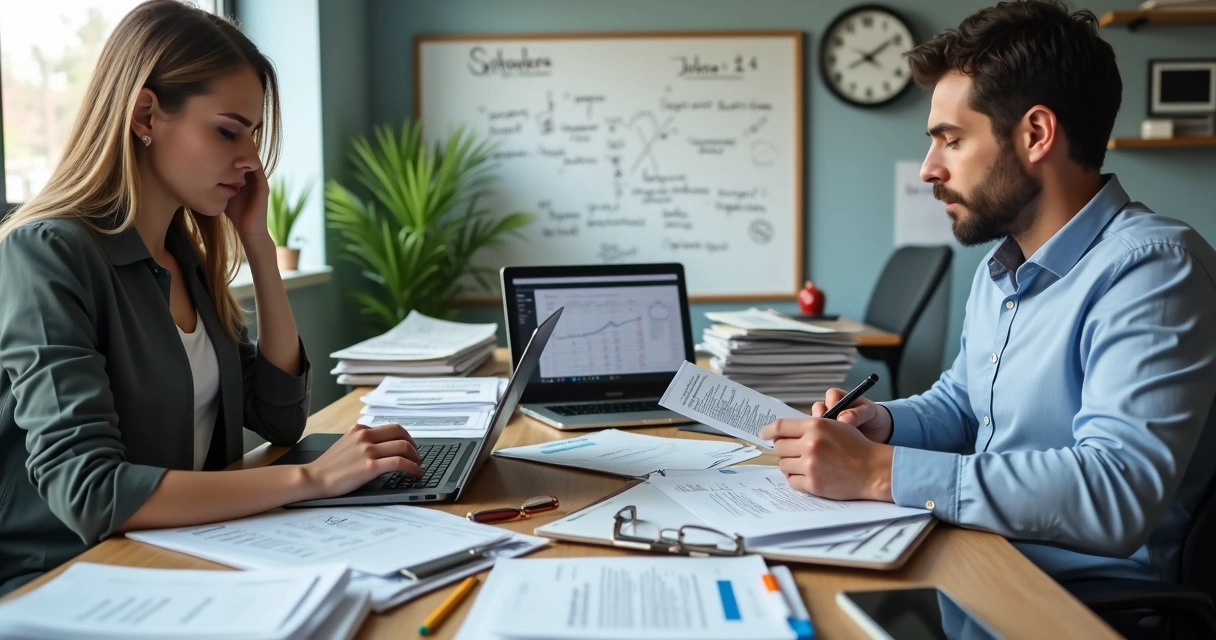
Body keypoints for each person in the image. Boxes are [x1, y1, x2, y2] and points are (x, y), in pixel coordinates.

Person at [761, 0, 1216, 588]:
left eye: (950, 140)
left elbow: (1115, 493)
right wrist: (882, 425)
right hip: (981, 553)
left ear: (1035, 134)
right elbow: (962, 406)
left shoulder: (1152, 271)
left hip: (1076, 601)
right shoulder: (1002, 268)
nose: (928, 168)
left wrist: (882, 472)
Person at [0, 0, 420, 595]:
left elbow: (279, 418)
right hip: (71, 579)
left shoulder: (185, 259)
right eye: (227, 131)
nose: (250, 161)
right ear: (146, 113)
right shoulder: (47, 253)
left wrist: (257, 243)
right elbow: (89, 490)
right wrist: (312, 481)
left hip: (190, 556)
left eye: (251, 135)